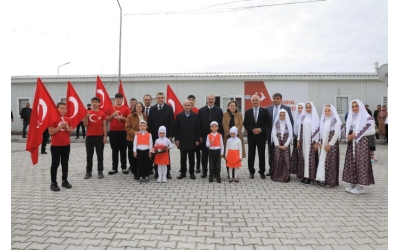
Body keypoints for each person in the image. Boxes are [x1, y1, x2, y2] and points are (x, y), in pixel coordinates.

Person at [342, 99, 375, 194]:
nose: (355, 108)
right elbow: (349, 129)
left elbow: (372, 131)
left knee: (361, 162)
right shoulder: (351, 117)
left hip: (362, 143)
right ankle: (353, 183)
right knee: (352, 161)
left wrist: (357, 134)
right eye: (352, 107)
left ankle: (361, 186)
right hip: (352, 143)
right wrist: (348, 135)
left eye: (356, 106)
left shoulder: (367, 117)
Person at [147, 92, 174, 179]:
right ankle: (157, 172)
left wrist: (170, 135)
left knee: (166, 154)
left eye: (162, 97)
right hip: (155, 136)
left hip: (165, 137)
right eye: (158, 97)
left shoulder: (169, 108)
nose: (160, 99)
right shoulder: (152, 109)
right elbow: (150, 123)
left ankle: (167, 172)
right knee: (156, 155)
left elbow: (171, 123)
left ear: (164, 98)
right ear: (156, 98)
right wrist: (150, 135)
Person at [243, 95, 271, 179]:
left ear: (259, 101)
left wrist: (260, 129)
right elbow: (245, 124)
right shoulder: (248, 112)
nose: (255, 101)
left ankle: (262, 171)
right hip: (251, 136)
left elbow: (268, 123)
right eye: (253, 100)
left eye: (256, 100)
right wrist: (252, 130)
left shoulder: (265, 111)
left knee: (261, 154)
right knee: (251, 154)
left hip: (261, 136)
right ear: (251, 102)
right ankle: (251, 171)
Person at [48, 102, 74, 191]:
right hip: (56, 145)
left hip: (66, 145)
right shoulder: (53, 119)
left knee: (65, 163)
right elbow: (51, 132)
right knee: (55, 164)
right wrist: (60, 127)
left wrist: (67, 128)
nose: (64, 110)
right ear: (57, 109)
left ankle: (64, 180)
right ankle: (53, 182)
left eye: (65, 108)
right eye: (62, 108)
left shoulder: (68, 119)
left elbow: (71, 131)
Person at [266, 93, 293, 176]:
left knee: (283, 153)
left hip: (284, 135)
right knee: (271, 152)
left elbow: (290, 121)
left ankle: (284, 170)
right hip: (272, 134)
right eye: (274, 98)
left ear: (281, 99)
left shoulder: (286, 108)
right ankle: (272, 169)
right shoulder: (268, 108)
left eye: (277, 98)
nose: (275, 100)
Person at [198, 94, 224, 178]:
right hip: (205, 137)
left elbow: (221, 124)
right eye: (209, 99)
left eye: (212, 99)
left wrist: (221, 136)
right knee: (204, 155)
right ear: (206, 100)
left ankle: (215, 172)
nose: (210, 100)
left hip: (216, 137)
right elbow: (199, 125)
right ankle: (204, 171)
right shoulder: (201, 110)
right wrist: (200, 136)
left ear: (215, 100)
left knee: (215, 157)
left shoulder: (219, 110)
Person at [315, 104, 341, 188]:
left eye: (329, 110)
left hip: (331, 145)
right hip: (323, 144)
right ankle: (322, 179)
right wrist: (319, 142)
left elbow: (336, 134)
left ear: (332, 111)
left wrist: (330, 144)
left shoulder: (334, 121)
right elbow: (320, 133)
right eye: (325, 110)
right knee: (323, 161)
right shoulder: (323, 120)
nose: (327, 112)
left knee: (331, 162)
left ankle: (331, 181)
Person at [106, 93, 131, 175]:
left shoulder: (126, 109)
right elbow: (106, 119)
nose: (118, 100)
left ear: (122, 99)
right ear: (115, 100)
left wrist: (122, 118)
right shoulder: (111, 108)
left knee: (123, 150)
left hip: (123, 132)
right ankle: (114, 168)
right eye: (117, 98)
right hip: (113, 131)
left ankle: (124, 167)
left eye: (120, 98)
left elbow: (129, 120)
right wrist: (113, 114)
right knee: (115, 150)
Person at [175, 100, 200, 180]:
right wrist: (177, 139)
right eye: (185, 105)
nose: (187, 107)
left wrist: (197, 140)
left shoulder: (195, 116)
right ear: (183, 106)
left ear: (191, 106)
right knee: (183, 158)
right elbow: (177, 129)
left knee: (192, 158)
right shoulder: (179, 116)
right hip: (182, 140)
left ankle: (192, 173)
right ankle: (183, 172)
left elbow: (197, 129)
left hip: (192, 140)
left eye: (188, 105)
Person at [83, 97, 107, 179]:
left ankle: (100, 171)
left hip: (99, 137)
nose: (94, 103)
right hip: (89, 137)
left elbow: (104, 125)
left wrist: (105, 136)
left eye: (96, 102)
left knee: (100, 155)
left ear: (99, 104)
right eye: (93, 102)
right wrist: (86, 117)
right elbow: (85, 125)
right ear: (91, 103)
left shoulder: (102, 113)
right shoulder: (87, 112)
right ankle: (88, 172)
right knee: (89, 155)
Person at [297, 102, 319, 185]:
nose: (308, 109)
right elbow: (300, 129)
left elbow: (317, 131)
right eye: (307, 107)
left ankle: (311, 177)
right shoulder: (303, 117)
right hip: (303, 141)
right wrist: (298, 140)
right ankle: (305, 176)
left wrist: (316, 142)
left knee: (311, 159)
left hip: (311, 142)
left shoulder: (315, 118)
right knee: (304, 158)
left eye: (310, 107)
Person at [222, 100, 246, 178]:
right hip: (228, 137)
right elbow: (224, 124)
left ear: (236, 107)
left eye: (234, 105)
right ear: (228, 107)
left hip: (237, 137)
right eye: (230, 105)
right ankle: (229, 173)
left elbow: (240, 124)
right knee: (228, 155)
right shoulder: (225, 115)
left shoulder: (239, 114)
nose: (232, 107)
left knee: (237, 155)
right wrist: (229, 133)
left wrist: (235, 132)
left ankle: (235, 174)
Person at [125, 102, 148, 180]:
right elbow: (127, 127)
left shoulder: (144, 116)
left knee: (142, 156)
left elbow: (146, 126)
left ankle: (142, 171)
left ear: (142, 108)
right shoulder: (130, 116)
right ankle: (135, 172)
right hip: (132, 139)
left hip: (143, 139)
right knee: (134, 156)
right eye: (137, 106)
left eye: (140, 106)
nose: (138, 108)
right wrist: (134, 132)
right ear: (135, 108)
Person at [270, 109, 293, 183]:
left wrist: (285, 145)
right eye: (280, 115)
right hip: (278, 145)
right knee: (277, 159)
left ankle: (285, 176)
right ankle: (276, 176)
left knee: (286, 160)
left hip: (286, 146)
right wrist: (277, 144)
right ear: (278, 116)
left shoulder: (288, 124)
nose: (282, 117)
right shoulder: (276, 123)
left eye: (283, 116)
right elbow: (273, 134)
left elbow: (290, 136)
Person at [289, 103, 304, 178]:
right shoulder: (296, 117)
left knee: (303, 155)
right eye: (299, 108)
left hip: (304, 139)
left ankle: (304, 172)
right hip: (296, 138)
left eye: (302, 108)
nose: (300, 109)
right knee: (297, 155)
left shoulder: (306, 117)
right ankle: (298, 172)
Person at [188, 94, 201, 173]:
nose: (191, 101)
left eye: (193, 100)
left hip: (196, 134)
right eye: (190, 99)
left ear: (195, 101)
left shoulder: (197, 110)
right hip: (188, 135)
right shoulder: (185, 110)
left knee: (197, 152)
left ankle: (198, 166)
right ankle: (186, 167)